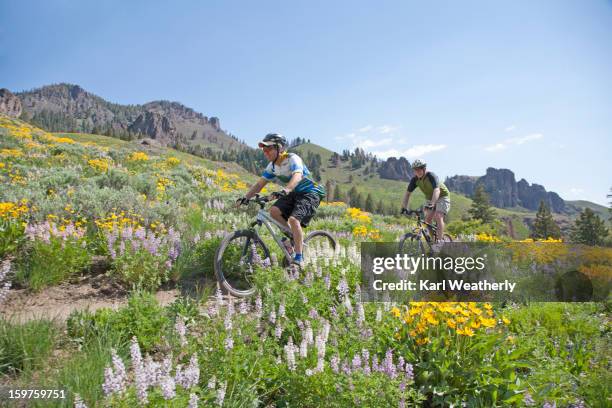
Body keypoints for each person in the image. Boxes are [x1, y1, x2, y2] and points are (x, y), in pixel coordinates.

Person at [237, 133, 325, 266]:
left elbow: (297, 176)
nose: (265, 152)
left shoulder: (292, 159)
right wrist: (245, 198)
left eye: (269, 149)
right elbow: (259, 184)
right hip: (294, 192)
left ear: (280, 148)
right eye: (264, 150)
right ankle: (292, 238)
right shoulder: (272, 166)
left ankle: (299, 257)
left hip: (311, 192)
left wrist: (286, 190)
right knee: (274, 211)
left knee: (294, 219)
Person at [401, 159, 451, 241]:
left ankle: (439, 242)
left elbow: (437, 190)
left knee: (438, 216)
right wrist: (404, 207)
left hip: (442, 196)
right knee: (427, 220)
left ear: (424, 169)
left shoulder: (431, 176)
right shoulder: (415, 180)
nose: (417, 172)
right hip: (430, 198)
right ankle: (433, 241)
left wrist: (432, 204)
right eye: (415, 170)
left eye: (419, 169)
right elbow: (407, 194)